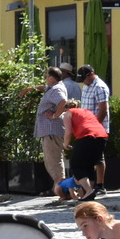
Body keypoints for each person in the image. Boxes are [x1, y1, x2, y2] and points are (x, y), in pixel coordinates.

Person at [35, 67, 74, 199]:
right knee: (52, 159)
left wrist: (54, 116)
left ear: (51, 78)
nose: (46, 79)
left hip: (52, 130)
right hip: (50, 130)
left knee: (54, 160)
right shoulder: (54, 87)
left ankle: (62, 190)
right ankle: (57, 188)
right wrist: (30, 89)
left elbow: (62, 101)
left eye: (47, 77)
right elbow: (45, 87)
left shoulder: (57, 89)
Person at [59, 100, 109, 203]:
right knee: (89, 165)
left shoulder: (68, 113)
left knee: (76, 165)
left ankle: (89, 191)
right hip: (102, 136)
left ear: (66, 108)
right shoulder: (86, 111)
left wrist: (65, 144)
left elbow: (68, 132)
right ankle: (88, 193)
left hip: (86, 136)